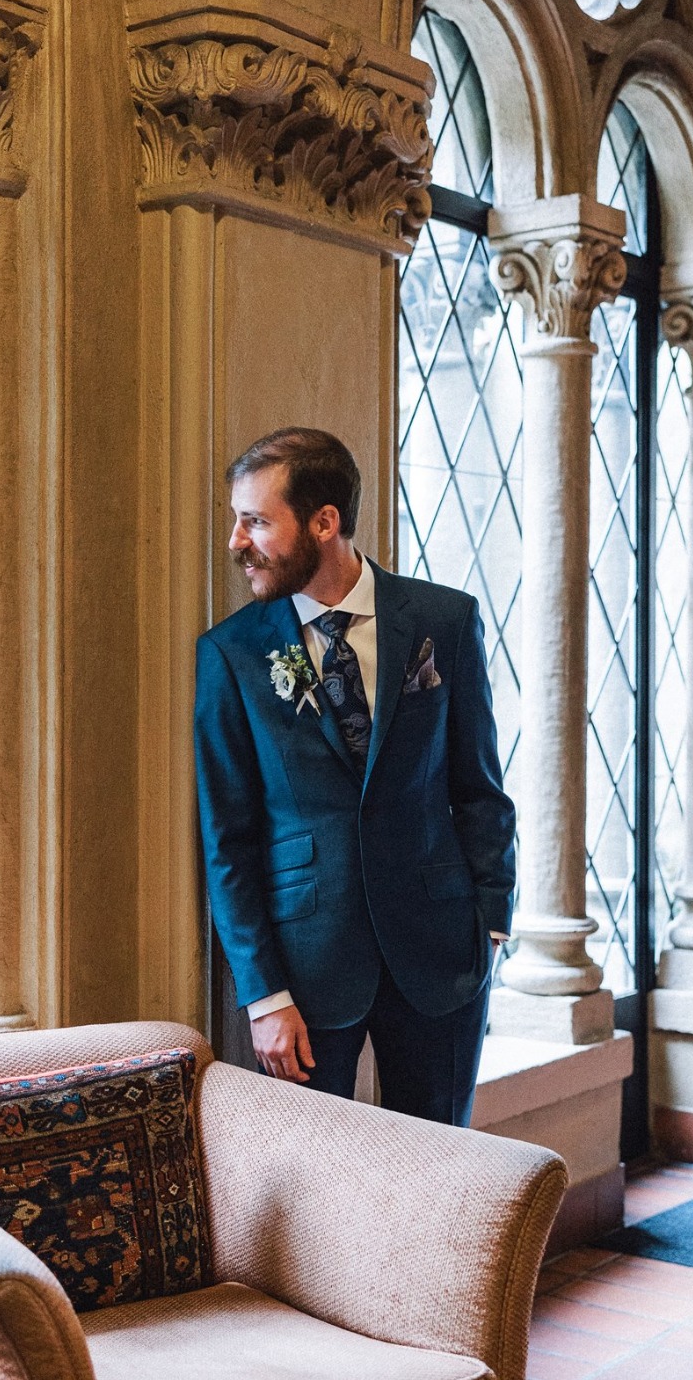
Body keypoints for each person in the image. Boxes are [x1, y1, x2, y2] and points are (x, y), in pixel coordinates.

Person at [194, 426, 515, 1122]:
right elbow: (228, 841)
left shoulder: (443, 621)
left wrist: (490, 925)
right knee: (315, 1178)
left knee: (440, 1168)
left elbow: (479, 786)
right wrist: (264, 994)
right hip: (305, 973)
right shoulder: (232, 655)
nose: (236, 541)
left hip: (440, 960)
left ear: (325, 522)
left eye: (255, 521)